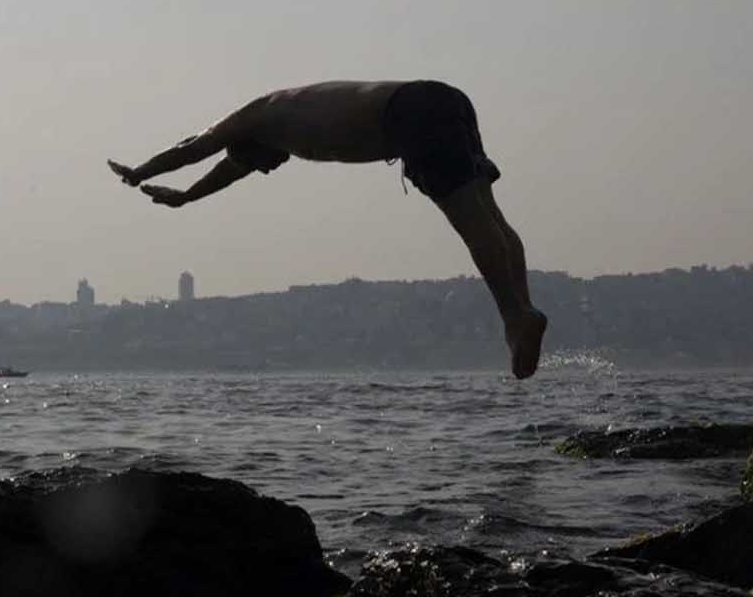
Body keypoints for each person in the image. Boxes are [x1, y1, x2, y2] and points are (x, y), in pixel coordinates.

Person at [108, 80, 547, 379]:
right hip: (442, 101)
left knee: (470, 219)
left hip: (408, 113)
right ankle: (522, 309)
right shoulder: (282, 128)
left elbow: (196, 148)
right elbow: (229, 171)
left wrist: (141, 171)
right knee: (489, 215)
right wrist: (186, 198)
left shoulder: (258, 114)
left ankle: (514, 316)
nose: (271, 163)